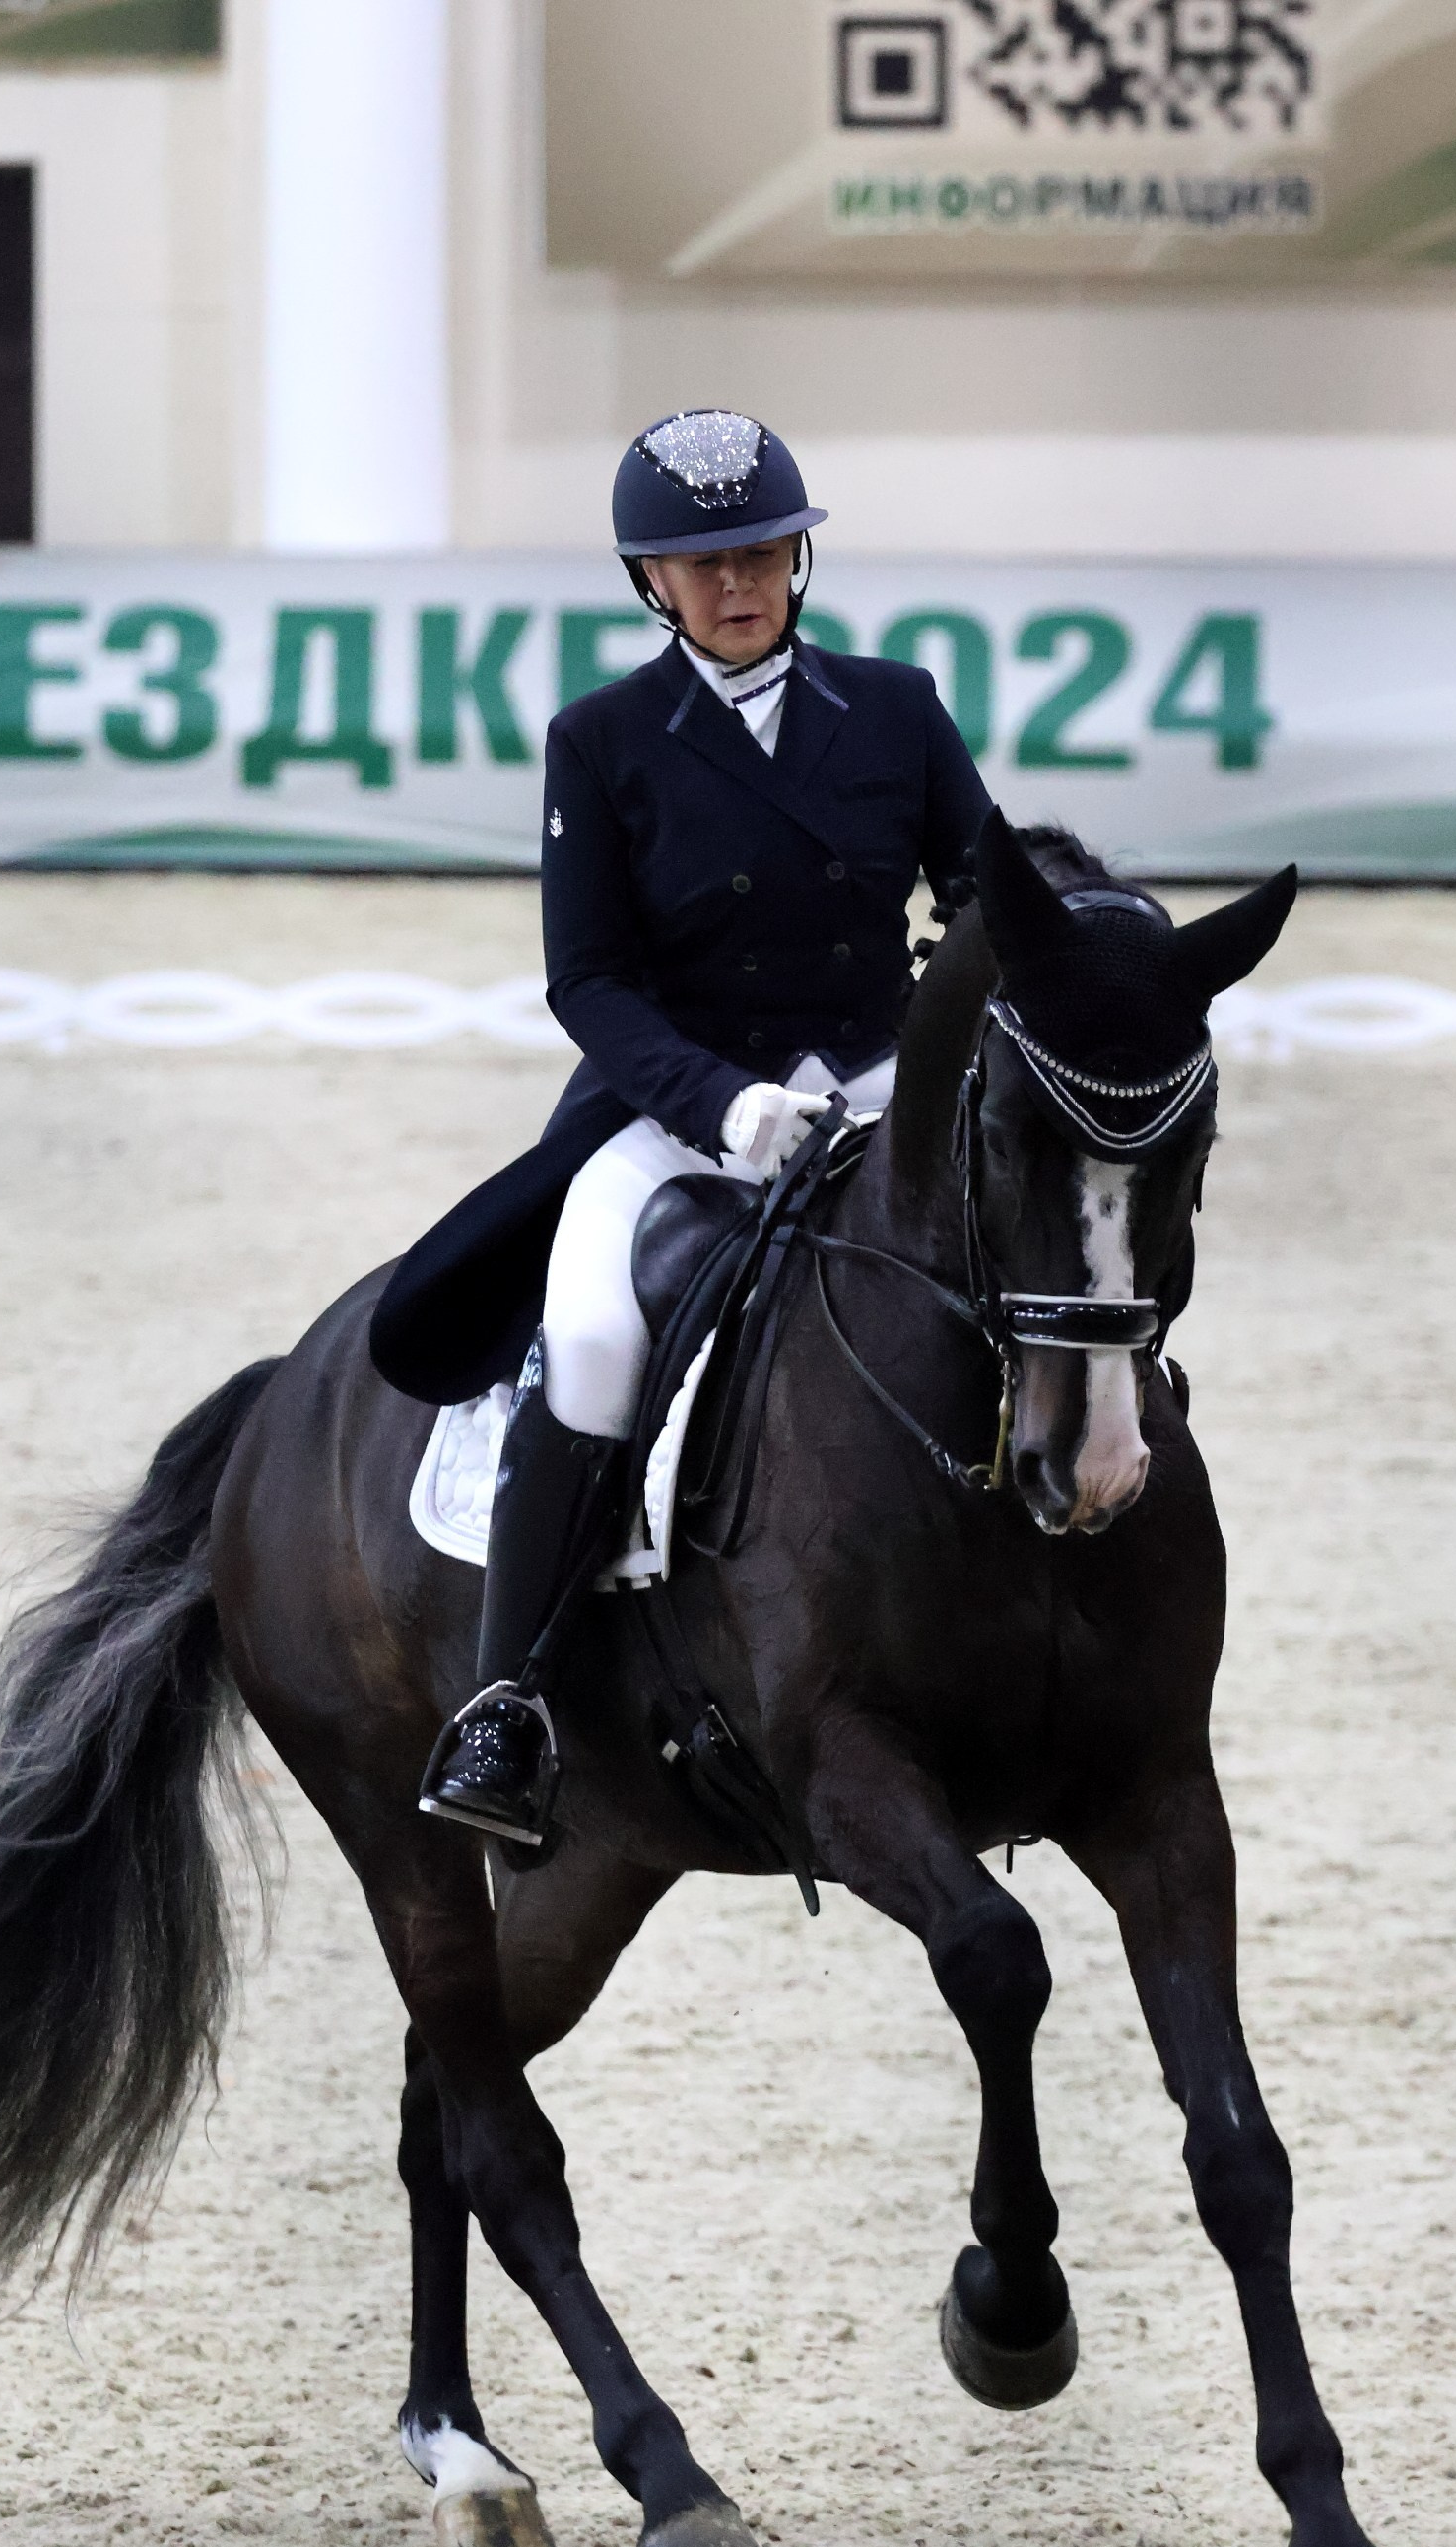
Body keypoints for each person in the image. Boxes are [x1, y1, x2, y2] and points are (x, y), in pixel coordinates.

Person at [369, 407, 991, 1849]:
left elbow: (982, 894)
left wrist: (974, 1014)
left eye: (762, 552)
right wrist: (723, 1103)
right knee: (591, 1339)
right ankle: (510, 1703)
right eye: (703, 562)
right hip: (680, 1108)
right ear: (649, 580)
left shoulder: (896, 709)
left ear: (798, 560)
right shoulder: (601, 743)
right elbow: (586, 980)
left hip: (876, 1085)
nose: (736, 582)